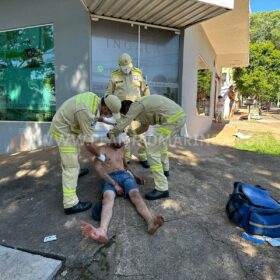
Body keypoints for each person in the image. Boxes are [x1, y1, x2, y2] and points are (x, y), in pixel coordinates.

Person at [80, 133, 164, 243]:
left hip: (125, 175)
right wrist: (114, 184)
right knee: (107, 200)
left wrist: (134, 174)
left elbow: (125, 164)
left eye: (122, 142)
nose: (120, 144)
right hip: (109, 178)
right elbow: (97, 168)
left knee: (135, 195)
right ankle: (102, 231)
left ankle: (150, 222)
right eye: (118, 142)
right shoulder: (103, 149)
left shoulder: (122, 147)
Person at [50, 92, 121, 215]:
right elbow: (88, 144)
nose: (109, 115)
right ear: (105, 107)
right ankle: (70, 203)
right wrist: (102, 157)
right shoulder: (87, 113)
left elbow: (98, 117)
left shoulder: (94, 100)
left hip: (69, 127)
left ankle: (76, 171)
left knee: (74, 152)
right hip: (63, 131)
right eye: (109, 113)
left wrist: (113, 123)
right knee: (70, 166)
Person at [107, 94, 187, 200]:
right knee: (160, 145)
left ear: (127, 109)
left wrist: (111, 133)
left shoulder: (136, 105)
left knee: (152, 151)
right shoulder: (143, 110)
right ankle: (165, 169)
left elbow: (124, 122)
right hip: (176, 118)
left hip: (172, 120)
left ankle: (162, 188)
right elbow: (144, 127)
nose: (133, 118)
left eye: (124, 114)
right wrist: (132, 132)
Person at [105, 53, 150, 168]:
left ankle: (143, 157)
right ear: (119, 66)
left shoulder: (138, 73)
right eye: (124, 68)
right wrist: (112, 109)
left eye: (128, 67)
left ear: (131, 63)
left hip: (136, 110)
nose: (126, 69)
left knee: (140, 135)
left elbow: (145, 90)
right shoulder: (114, 75)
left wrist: (147, 105)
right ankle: (127, 158)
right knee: (124, 136)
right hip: (121, 111)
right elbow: (108, 94)